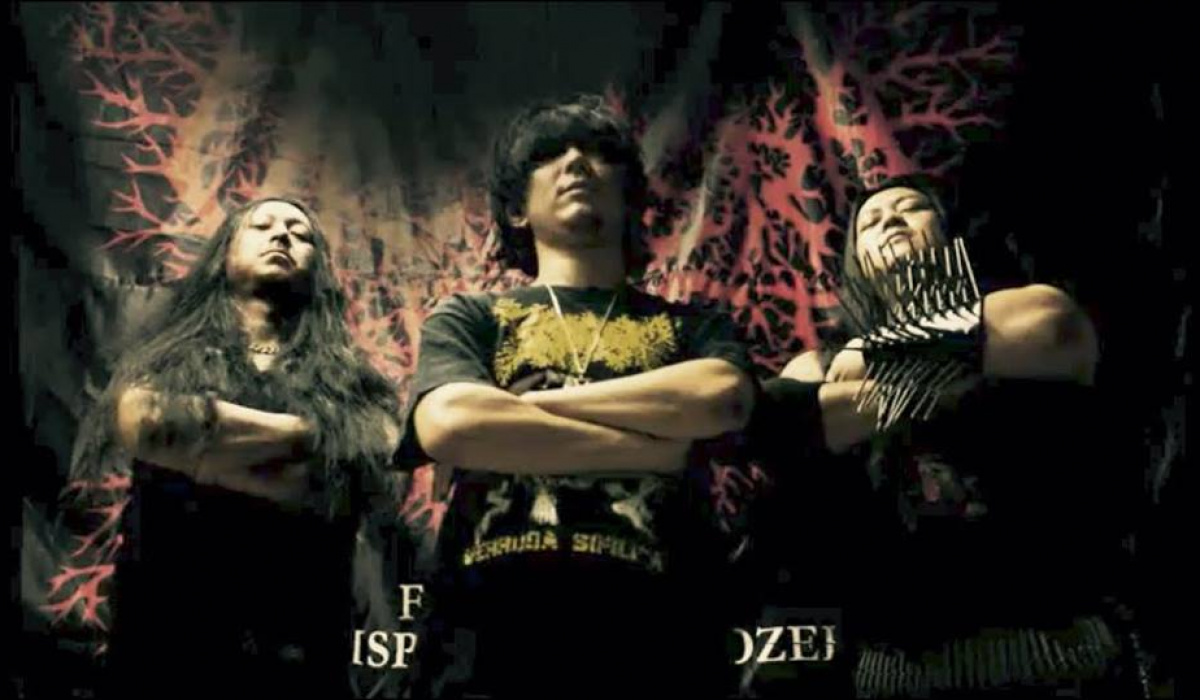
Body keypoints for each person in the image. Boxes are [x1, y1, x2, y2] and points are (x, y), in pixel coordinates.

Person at [395, 94, 758, 698]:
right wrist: (655, 448)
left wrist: (520, 411)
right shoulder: (470, 317)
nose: (575, 162)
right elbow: (451, 424)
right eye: (549, 154)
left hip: (661, 645)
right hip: (485, 646)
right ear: (517, 209)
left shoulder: (693, 327)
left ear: (630, 198)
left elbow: (724, 399)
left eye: (598, 152)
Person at [750, 175, 1138, 697]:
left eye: (910, 207)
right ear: (857, 262)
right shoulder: (817, 364)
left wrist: (879, 355)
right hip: (896, 662)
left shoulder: (1023, 305)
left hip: (1054, 640)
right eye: (870, 222)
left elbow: (1055, 327)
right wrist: (954, 370)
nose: (889, 219)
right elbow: (779, 426)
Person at [70, 197, 401, 698]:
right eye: (262, 226)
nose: (282, 236)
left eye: (300, 234)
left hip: (297, 647)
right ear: (223, 253)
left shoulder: (351, 378)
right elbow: (147, 422)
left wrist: (204, 450)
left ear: (319, 270)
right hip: (167, 639)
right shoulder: (169, 356)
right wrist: (316, 441)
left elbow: (379, 450)